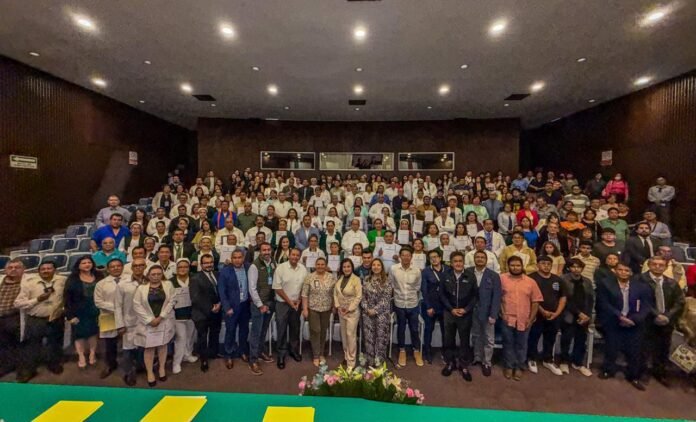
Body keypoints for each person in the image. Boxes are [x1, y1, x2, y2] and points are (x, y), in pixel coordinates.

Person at [596, 262, 653, 390]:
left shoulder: (641, 287)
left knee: (634, 351)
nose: (623, 272)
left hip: (634, 323)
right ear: (615, 271)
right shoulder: (605, 284)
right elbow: (603, 303)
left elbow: (646, 306)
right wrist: (619, 316)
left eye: (626, 270)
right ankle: (608, 370)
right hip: (613, 321)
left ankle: (633, 376)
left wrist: (634, 319)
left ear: (631, 272)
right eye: (620, 270)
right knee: (611, 348)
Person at [14, 260, 66, 382]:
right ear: (39, 271)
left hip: (56, 319)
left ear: (55, 270)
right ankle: (29, 370)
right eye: (43, 269)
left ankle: (54, 364)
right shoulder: (29, 283)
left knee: (55, 344)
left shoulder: (62, 280)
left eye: (49, 268)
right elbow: (18, 303)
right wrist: (37, 299)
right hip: (36, 319)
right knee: (32, 346)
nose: (46, 271)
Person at [638, 256, 685, 386]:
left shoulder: (671, 282)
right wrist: (656, 315)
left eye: (661, 265)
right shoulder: (640, 280)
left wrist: (668, 316)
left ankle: (660, 373)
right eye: (655, 264)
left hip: (666, 322)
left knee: (663, 349)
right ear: (649, 265)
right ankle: (642, 373)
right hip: (647, 320)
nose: (658, 267)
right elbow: (640, 300)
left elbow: (680, 302)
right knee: (644, 348)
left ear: (665, 267)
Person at [500, 255, 543, 381]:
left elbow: (536, 301)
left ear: (522, 266)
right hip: (507, 318)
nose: (515, 267)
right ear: (508, 266)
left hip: (524, 319)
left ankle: (519, 366)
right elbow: (498, 297)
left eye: (518, 265)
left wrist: (531, 318)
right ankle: (509, 366)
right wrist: (502, 313)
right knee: (508, 343)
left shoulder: (530, 282)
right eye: (512, 265)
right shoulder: (502, 279)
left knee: (522, 344)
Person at [133, 265, 176, 387]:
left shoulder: (168, 285)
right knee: (149, 348)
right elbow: (136, 305)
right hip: (148, 323)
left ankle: (162, 369)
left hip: (163, 321)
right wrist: (149, 320)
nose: (156, 276)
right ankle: (150, 372)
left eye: (159, 274)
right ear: (148, 275)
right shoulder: (141, 288)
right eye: (153, 274)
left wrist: (161, 317)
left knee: (162, 346)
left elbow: (172, 301)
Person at [439, 251, 477, 381]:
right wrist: (451, 309)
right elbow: (442, 295)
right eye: (455, 261)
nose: (458, 263)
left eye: (460, 261)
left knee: (464, 340)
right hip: (449, 313)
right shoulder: (445, 275)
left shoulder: (470, 276)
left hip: (465, 314)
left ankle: (463, 365)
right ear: (451, 263)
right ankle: (450, 363)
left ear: (464, 262)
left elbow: (475, 296)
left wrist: (466, 309)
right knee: (448, 339)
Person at [527, 256, 567, 376]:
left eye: (549, 264)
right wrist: (542, 311)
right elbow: (530, 297)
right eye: (543, 263)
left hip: (554, 315)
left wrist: (557, 313)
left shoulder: (557, 279)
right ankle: (531, 358)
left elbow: (563, 297)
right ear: (538, 265)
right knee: (534, 337)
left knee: (550, 338)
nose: (546, 266)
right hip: (536, 314)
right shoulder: (531, 278)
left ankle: (548, 360)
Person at [466, 250, 502, 377]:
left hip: (487, 312)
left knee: (488, 338)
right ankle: (477, 357)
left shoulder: (493, 275)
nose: (480, 259)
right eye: (477, 257)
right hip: (471, 311)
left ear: (486, 260)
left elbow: (497, 296)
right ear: (474, 259)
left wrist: (493, 314)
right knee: (475, 335)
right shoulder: (468, 272)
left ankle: (487, 362)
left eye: (482, 257)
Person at [558, 259, 595, 377]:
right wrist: (578, 313)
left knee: (581, 339)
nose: (576, 269)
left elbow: (591, 299)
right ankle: (564, 361)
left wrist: (587, 315)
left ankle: (577, 363)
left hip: (584, 315)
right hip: (568, 314)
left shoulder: (587, 281)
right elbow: (565, 299)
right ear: (569, 268)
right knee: (566, 338)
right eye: (573, 267)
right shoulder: (563, 279)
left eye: (579, 267)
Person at [273, 248, 308, 369]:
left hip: (296, 303)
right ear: (289, 255)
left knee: (295, 328)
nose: (295, 257)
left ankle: (293, 350)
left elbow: (304, 286)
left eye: (297, 255)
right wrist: (290, 302)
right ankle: (281, 354)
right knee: (281, 328)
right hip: (282, 303)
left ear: (299, 257)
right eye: (293, 254)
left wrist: (298, 300)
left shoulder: (303, 269)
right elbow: (277, 288)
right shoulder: (281, 268)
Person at [64, 255, 101, 369]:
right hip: (78, 310)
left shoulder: (99, 275)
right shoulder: (72, 279)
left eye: (89, 262)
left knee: (93, 333)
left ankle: (92, 354)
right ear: (78, 266)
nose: (87, 265)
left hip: (95, 309)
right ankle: (81, 356)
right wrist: (70, 315)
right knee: (79, 335)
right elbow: (67, 299)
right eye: (83, 263)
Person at [389, 246, 424, 367]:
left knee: (414, 329)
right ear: (400, 256)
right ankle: (402, 350)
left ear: (411, 257)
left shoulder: (417, 270)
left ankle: (416, 350)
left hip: (413, 304)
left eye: (408, 255)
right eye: (403, 255)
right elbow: (391, 284)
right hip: (399, 304)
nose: (405, 257)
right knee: (401, 328)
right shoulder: (393, 269)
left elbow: (418, 287)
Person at [218, 249, 252, 369]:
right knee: (230, 331)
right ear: (231, 259)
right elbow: (222, 291)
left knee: (244, 330)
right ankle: (228, 354)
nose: (237, 260)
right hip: (231, 307)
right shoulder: (225, 271)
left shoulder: (248, 268)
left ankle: (242, 351)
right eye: (235, 258)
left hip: (245, 305)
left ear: (243, 258)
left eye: (239, 257)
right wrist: (227, 307)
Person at [114, 257, 145, 386]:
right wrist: (120, 324)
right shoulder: (122, 284)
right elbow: (117, 306)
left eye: (141, 265)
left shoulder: (150, 281)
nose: (138, 268)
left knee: (142, 348)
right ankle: (129, 373)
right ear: (132, 268)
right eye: (136, 266)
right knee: (128, 350)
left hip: (145, 322)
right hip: (129, 322)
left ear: (145, 267)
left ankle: (141, 367)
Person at [301, 257, 337, 367]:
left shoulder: (331, 277)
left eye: (322, 264)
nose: (320, 266)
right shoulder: (309, 277)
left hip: (327, 309)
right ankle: (316, 355)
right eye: (318, 264)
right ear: (315, 265)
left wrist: (334, 306)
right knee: (315, 331)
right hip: (313, 309)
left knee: (323, 332)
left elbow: (334, 293)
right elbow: (304, 294)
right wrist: (305, 309)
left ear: (326, 266)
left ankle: (321, 354)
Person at [94, 258, 126, 379]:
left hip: (127, 315)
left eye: (118, 266)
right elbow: (98, 302)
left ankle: (131, 365)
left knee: (129, 341)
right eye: (112, 266)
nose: (116, 268)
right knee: (109, 343)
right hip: (108, 315)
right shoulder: (101, 284)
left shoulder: (130, 280)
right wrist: (117, 308)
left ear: (122, 267)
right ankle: (110, 364)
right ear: (108, 269)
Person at [189, 254, 222, 372]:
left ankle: (213, 353)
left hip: (217, 310)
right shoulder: (195, 278)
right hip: (202, 312)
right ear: (201, 264)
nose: (209, 265)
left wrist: (219, 304)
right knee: (202, 337)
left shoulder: (218, 274)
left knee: (215, 333)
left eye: (210, 262)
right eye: (206, 263)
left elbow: (222, 291)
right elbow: (195, 298)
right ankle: (204, 359)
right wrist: (211, 307)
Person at [248, 242, 277, 375]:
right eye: (264, 250)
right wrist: (260, 305)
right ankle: (253, 360)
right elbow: (252, 288)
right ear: (260, 251)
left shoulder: (273, 263)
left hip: (270, 302)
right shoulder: (254, 266)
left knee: (263, 330)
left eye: (268, 250)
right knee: (256, 332)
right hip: (259, 305)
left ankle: (260, 352)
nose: (266, 252)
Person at [361, 258, 394, 367]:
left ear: (382, 267)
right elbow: (363, 297)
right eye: (374, 265)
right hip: (367, 313)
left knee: (381, 338)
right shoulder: (366, 279)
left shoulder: (387, 281)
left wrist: (375, 310)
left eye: (378, 265)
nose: (376, 267)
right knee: (369, 339)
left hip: (382, 314)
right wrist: (367, 309)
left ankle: (379, 363)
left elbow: (386, 299)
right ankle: (370, 362)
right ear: (371, 267)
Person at [169, 258, 198, 374]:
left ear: (189, 268)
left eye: (185, 267)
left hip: (192, 313)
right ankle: (176, 362)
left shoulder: (194, 279)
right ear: (176, 269)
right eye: (180, 267)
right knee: (180, 338)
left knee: (190, 336)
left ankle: (188, 354)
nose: (183, 269)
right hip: (177, 315)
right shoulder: (170, 282)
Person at [334, 259, 362, 369]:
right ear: (342, 268)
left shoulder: (356, 279)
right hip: (341, 312)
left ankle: (351, 362)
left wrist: (349, 309)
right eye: (344, 267)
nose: (346, 269)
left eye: (348, 266)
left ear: (352, 267)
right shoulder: (339, 278)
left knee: (351, 336)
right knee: (344, 336)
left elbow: (358, 296)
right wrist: (338, 306)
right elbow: (335, 294)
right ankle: (346, 356)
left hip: (352, 313)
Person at [420, 250, 446, 364]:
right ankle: (427, 352)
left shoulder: (447, 269)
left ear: (440, 258)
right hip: (430, 305)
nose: (434, 259)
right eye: (431, 258)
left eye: (436, 257)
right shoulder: (426, 271)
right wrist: (428, 306)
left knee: (446, 331)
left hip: (445, 305)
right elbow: (424, 290)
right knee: (428, 329)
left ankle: (446, 352)